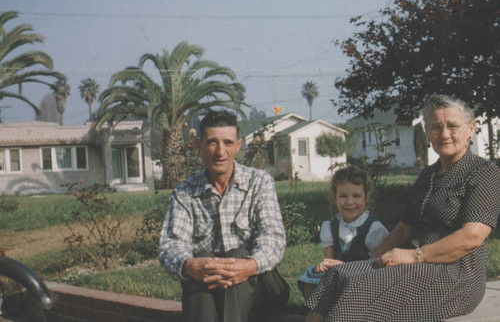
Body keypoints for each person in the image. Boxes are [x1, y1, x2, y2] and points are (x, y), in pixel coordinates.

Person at [304, 94, 500, 322]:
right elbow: (404, 230)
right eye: (436, 127)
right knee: (337, 275)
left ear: (470, 129)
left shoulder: (484, 173)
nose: (444, 134)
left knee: (360, 288)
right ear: (427, 132)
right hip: (414, 264)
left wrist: (415, 255)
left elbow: (472, 237)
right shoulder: (428, 175)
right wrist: (369, 262)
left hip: (454, 275)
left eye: (453, 126)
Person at [158, 110, 289, 322]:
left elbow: (273, 237)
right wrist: (191, 266)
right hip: (209, 288)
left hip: (260, 288)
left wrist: (247, 266)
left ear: (238, 145)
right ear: (198, 145)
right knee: (198, 271)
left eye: (228, 143)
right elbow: (171, 246)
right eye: (212, 142)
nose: (220, 151)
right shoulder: (185, 192)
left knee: (236, 253)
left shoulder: (259, 182)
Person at [298, 166, 388, 299]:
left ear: (367, 198)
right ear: (335, 198)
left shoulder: (373, 229)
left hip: (363, 276)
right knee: (313, 274)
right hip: (338, 275)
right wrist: (324, 265)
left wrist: (347, 267)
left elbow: (377, 264)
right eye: (343, 196)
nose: (349, 202)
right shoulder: (331, 226)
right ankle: (314, 312)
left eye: (356, 196)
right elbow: (328, 260)